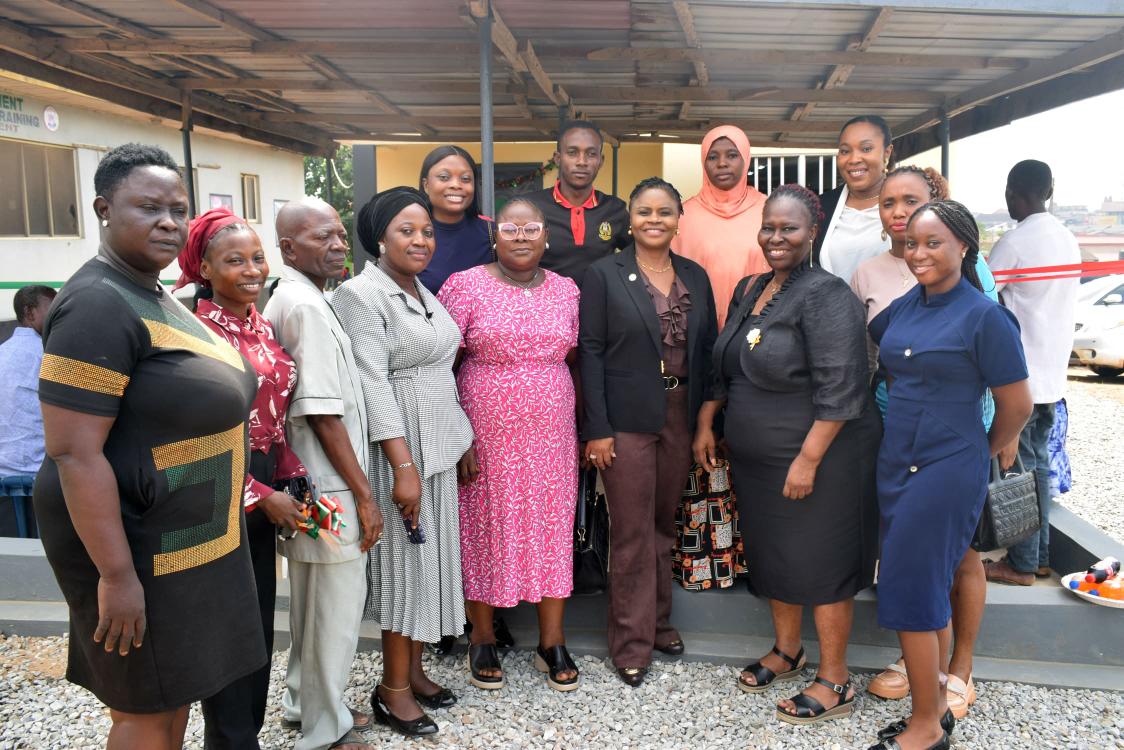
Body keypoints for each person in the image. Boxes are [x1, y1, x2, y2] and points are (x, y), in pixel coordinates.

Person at [32, 143, 265, 750]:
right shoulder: (95, 306)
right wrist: (115, 576)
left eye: (178, 209)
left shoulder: (150, 291)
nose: (167, 220)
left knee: (174, 688)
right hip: (135, 547)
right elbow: (73, 453)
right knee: (144, 704)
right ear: (105, 209)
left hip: (186, 542)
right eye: (148, 207)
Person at [695, 184, 880, 725]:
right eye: (769, 227)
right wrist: (707, 420)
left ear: (812, 232)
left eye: (789, 228)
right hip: (757, 459)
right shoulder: (752, 287)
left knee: (820, 561)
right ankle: (787, 650)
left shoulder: (828, 295)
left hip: (816, 457)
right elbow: (723, 362)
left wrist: (808, 459)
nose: (776, 238)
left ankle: (836, 679)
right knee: (775, 553)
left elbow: (842, 387)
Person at [869, 200, 1031, 750]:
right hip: (897, 461)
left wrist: (983, 448)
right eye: (911, 243)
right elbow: (887, 348)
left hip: (948, 465)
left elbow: (1018, 406)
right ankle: (935, 706)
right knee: (926, 588)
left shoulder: (985, 316)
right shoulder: (904, 306)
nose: (918, 253)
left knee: (911, 588)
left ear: (964, 246)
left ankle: (925, 728)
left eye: (933, 243)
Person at [852, 166, 997, 720]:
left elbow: (999, 360)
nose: (897, 213)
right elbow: (873, 354)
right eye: (888, 204)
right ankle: (920, 666)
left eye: (909, 201)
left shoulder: (965, 266)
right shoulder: (870, 273)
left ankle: (959, 668)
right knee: (914, 556)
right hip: (895, 429)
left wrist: (987, 444)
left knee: (957, 552)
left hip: (957, 432)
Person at [331, 187, 474, 738]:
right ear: (379, 237)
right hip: (399, 452)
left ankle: (412, 673)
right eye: (406, 230)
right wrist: (404, 466)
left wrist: (459, 442)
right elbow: (371, 381)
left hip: (435, 446)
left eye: (427, 230)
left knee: (427, 565)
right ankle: (391, 692)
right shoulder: (361, 294)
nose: (421, 240)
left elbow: (441, 370)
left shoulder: (420, 290)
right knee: (402, 569)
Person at [173, 208, 312, 749]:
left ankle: (243, 736)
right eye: (235, 260)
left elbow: (273, 419)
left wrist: (291, 478)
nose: (252, 269)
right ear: (204, 267)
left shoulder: (262, 324)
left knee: (255, 624)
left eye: (257, 257)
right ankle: (230, 740)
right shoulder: (195, 332)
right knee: (225, 629)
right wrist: (257, 495)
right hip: (212, 485)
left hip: (263, 481)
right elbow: (183, 437)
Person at [438, 199, 582, 693]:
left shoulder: (567, 290)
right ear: (495, 237)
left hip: (551, 435)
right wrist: (458, 436)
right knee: (484, 525)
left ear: (546, 239)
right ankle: (482, 638)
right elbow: (441, 364)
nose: (521, 236)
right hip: (485, 432)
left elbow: (578, 356)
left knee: (550, 528)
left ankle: (552, 642)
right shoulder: (464, 285)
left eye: (531, 228)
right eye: (510, 228)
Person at [580, 177, 718, 687]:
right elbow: (590, 352)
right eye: (644, 211)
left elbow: (707, 351)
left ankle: (658, 623)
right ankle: (631, 641)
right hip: (626, 419)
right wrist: (597, 429)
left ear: (680, 219)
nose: (654, 219)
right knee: (633, 531)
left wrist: (707, 419)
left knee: (664, 524)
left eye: (665, 211)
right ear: (630, 219)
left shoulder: (695, 276)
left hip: (681, 411)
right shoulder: (603, 275)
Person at [264, 197, 381, 750]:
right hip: (330, 486)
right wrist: (366, 495)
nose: (337, 245)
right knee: (333, 611)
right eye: (321, 237)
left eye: (340, 234)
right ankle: (325, 731)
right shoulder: (305, 306)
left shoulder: (302, 296)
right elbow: (323, 413)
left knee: (311, 607)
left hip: (311, 482)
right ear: (288, 248)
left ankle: (300, 705)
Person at [984, 160, 1081, 587]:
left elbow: (984, 297)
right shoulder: (1067, 238)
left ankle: (1021, 565)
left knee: (1015, 472)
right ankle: (1038, 558)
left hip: (1019, 381)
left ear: (1012, 192)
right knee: (1037, 467)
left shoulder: (1016, 242)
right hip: (1053, 378)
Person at [672, 125, 768, 329]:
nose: (722, 163)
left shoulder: (768, 211)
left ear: (745, 159)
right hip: (697, 328)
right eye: (712, 157)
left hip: (758, 326)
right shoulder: (683, 216)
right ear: (703, 163)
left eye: (732, 155)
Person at [528, 120, 631, 287]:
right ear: (558, 158)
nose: (582, 161)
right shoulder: (531, 208)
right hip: (546, 310)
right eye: (572, 152)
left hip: (601, 309)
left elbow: (640, 257)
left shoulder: (614, 209)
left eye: (591, 154)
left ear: (601, 160)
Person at [0, 285, 56, 538]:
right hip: (43, 479)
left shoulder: (2, 353)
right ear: (29, 313)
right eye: (52, 308)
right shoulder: (49, 355)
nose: (58, 314)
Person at [813, 115, 894, 283]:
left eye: (866, 149)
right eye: (845, 151)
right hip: (830, 308)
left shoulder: (907, 206)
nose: (854, 159)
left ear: (887, 152)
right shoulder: (820, 207)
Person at [417, 145, 493, 294]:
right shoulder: (410, 234)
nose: (456, 185)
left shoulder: (493, 234)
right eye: (444, 177)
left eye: (465, 179)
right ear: (426, 185)